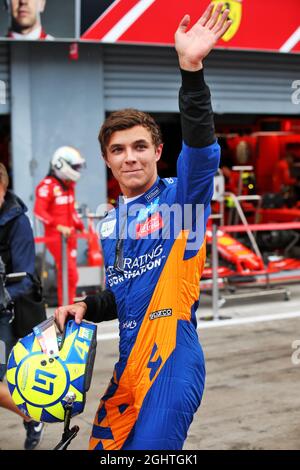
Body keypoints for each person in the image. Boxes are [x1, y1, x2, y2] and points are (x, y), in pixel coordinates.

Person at [55, 3, 231, 450]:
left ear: (157, 151)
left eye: (139, 146)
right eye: (118, 150)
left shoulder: (180, 201)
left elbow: (203, 152)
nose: (129, 157)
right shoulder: (111, 221)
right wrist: (88, 306)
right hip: (128, 365)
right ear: (106, 159)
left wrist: (191, 72)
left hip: (172, 358)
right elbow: (127, 292)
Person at [0, 163, 44, 450]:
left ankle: (31, 416)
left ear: (3, 189)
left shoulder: (18, 222)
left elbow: (26, 277)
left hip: (9, 311)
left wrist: (2, 295)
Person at [34, 146, 86, 306]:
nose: (77, 170)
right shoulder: (46, 186)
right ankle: (66, 308)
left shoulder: (68, 185)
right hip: (57, 238)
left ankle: (67, 306)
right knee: (70, 274)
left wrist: (79, 224)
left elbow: (71, 209)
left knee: (69, 275)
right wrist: (58, 226)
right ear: (61, 164)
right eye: (75, 166)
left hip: (70, 236)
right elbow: (39, 211)